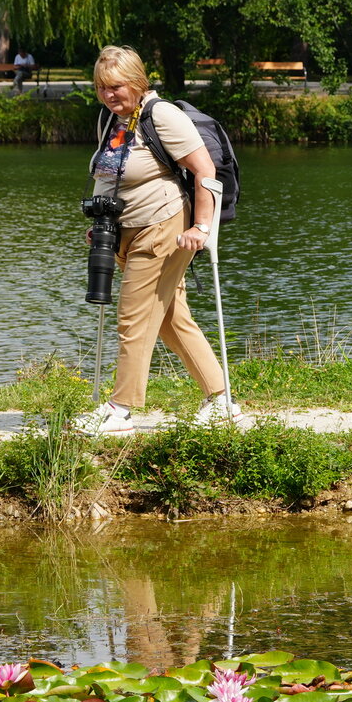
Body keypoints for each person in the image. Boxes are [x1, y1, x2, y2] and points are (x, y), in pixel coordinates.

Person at [74, 45, 240, 436]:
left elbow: (204, 170)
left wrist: (201, 228)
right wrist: (102, 223)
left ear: (136, 81)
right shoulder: (111, 118)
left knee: (133, 317)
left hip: (162, 227)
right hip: (124, 231)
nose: (108, 95)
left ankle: (120, 410)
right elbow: (114, 174)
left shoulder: (161, 115)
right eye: (101, 87)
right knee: (169, 319)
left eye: (116, 86)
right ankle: (221, 402)